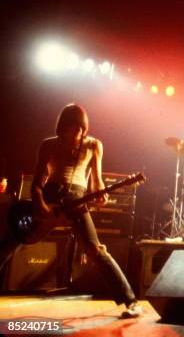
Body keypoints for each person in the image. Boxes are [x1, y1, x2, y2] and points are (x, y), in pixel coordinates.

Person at [1, 104, 143, 317]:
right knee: (17, 238)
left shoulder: (94, 145)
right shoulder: (48, 145)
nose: (77, 133)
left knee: (96, 250)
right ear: (62, 127)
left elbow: (96, 182)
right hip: (51, 197)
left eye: (81, 129)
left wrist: (102, 196)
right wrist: (42, 206)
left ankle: (131, 301)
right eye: (72, 128)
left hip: (76, 199)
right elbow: (38, 185)